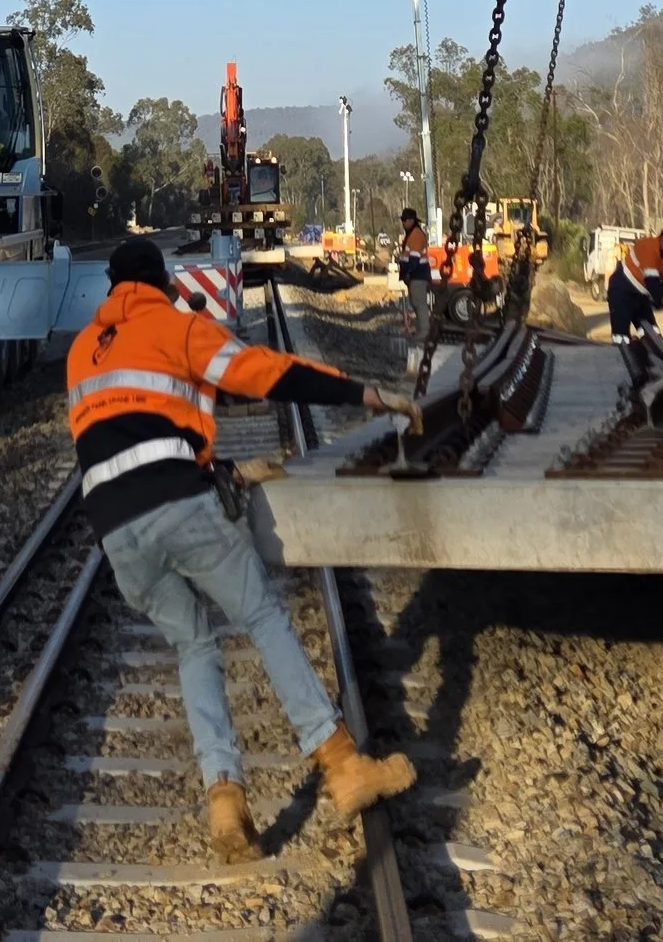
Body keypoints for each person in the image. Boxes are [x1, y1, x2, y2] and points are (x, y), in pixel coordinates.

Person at [67, 237, 421, 866]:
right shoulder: (174, 326)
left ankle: (225, 802)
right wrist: (365, 395)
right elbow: (264, 372)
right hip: (176, 504)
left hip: (115, 533)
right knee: (260, 616)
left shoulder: (82, 352)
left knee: (195, 644)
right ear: (161, 285)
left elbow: (127, 440)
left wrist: (224, 469)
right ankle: (342, 765)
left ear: (112, 290)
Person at [608, 222, 663, 344]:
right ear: (661, 237)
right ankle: (620, 353)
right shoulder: (649, 247)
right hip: (622, 291)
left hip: (640, 295)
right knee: (621, 337)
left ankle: (652, 356)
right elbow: (652, 284)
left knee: (653, 335)